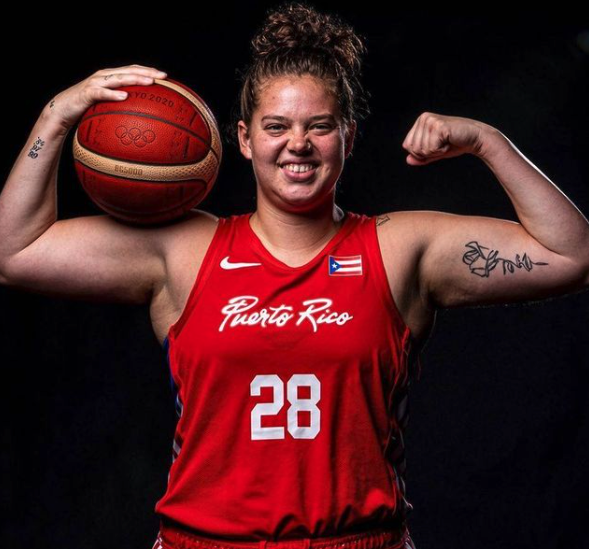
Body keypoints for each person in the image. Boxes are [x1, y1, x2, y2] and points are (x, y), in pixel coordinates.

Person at [2, 3, 588, 549]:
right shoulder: (183, 250)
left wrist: (488, 142)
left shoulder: (400, 247)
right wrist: (58, 115)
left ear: (349, 137)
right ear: (242, 139)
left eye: (321, 125)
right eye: (276, 126)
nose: (298, 145)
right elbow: (16, 252)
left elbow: (572, 255)